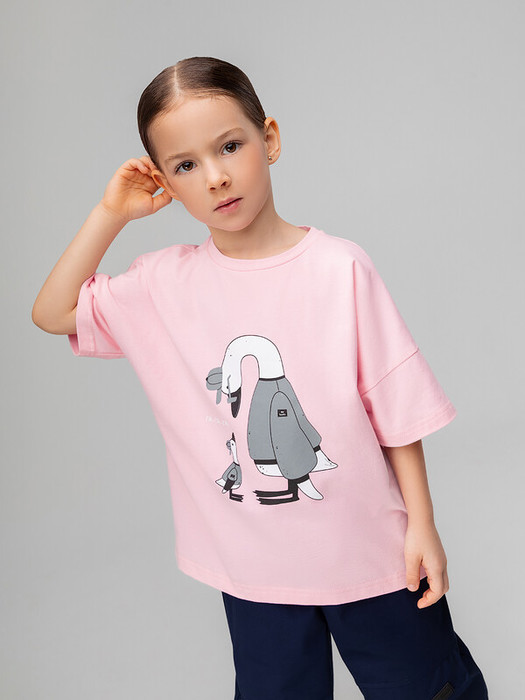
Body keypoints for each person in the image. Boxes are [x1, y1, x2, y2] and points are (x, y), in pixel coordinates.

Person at [32, 56, 489, 699]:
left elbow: (394, 410)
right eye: (185, 165)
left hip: (373, 556)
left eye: (229, 146)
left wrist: (423, 525)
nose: (215, 177)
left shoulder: (339, 269)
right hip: (255, 575)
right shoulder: (162, 286)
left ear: (268, 139)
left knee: (429, 689)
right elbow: (52, 312)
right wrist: (112, 213)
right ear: (164, 181)